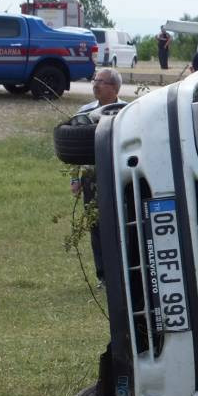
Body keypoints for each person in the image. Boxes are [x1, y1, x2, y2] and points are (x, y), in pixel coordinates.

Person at [69, 68, 125, 283]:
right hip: (92, 176)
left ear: (114, 88)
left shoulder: (126, 111)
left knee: (120, 224)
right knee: (96, 225)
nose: (95, 84)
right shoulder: (84, 112)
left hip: (119, 176)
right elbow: (75, 148)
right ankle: (103, 276)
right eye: (94, 80)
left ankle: (123, 272)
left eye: (100, 81)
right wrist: (75, 179)